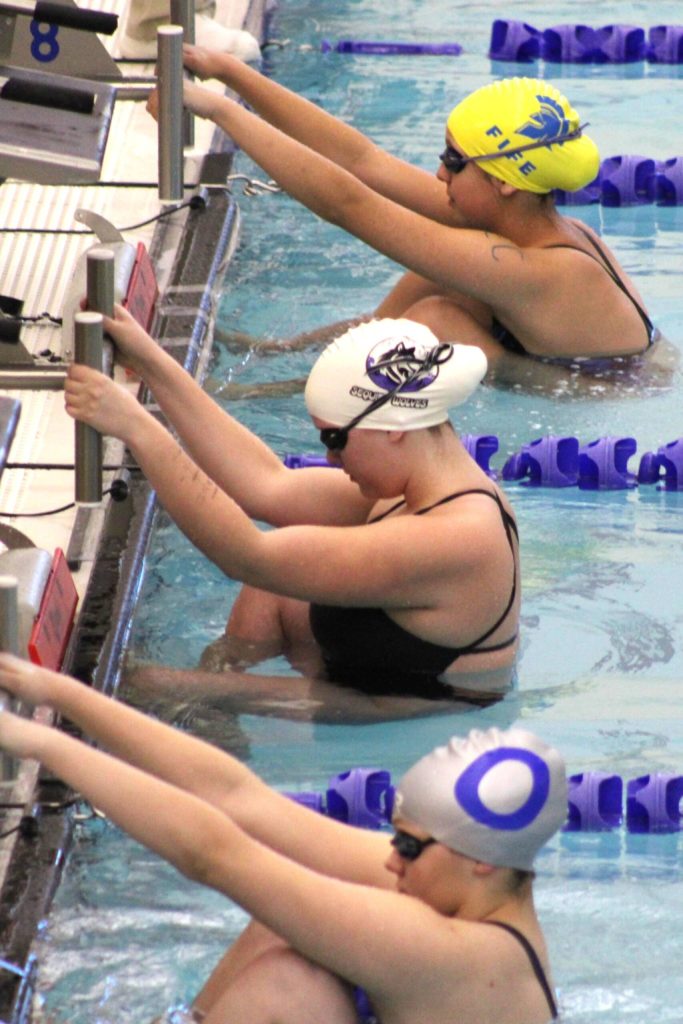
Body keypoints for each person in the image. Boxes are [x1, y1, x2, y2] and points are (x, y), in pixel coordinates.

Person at [0, 652, 567, 1024]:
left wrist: (46, 749)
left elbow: (214, 854)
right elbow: (240, 800)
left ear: (482, 863)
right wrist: (60, 694)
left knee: (290, 990)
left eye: (410, 846)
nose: (391, 860)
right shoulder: (471, 893)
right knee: (288, 923)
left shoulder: (449, 954)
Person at [65, 312, 519, 720]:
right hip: (365, 667)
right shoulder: (426, 490)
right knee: (276, 581)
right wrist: (148, 358)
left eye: (336, 439)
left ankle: (210, 711)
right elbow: (267, 485)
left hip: (401, 706)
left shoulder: (459, 536)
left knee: (138, 685)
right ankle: (218, 694)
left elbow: (246, 554)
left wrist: (138, 429)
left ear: (394, 429)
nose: (332, 459)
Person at [159, 53, 676, 393]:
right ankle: (282, 354)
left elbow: (349, 205)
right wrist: (229, 74)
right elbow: (364, 162)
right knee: (437, 280)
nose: (438, 171)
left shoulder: (530, 271)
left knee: (438, 320)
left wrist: (220, 114)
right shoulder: (522, 227)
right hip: (567, 357)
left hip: (604, 392)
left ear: (504, 182)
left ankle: (261, 395)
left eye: (454, 161)